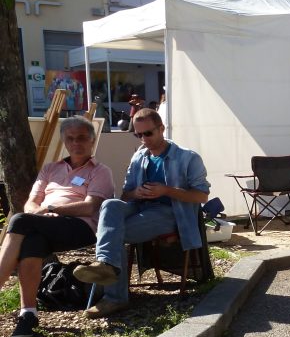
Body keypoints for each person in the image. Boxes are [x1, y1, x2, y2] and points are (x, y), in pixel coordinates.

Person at [74, 108, 210, 318]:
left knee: (112, 233)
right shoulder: (139, 156)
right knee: (110, 204)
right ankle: (105, 264)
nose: (143, 139)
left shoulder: (188, 157)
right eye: (138, 135)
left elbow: (202, 196)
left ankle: (114, 297)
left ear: (162, 129)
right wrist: (135, 192)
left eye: (148, 133)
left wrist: (166, 191)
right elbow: (125, 195)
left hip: (171, 213)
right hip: (139, 206)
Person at [0, 116, 114, 337]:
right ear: (64, 141)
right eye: (70, 139)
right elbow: (31, 202)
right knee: (32, 241)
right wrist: (40, 213)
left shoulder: (100, 171)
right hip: (46, 223)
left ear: (91, 141)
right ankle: (28, 315)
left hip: (80, 227)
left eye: (81, 138)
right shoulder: (51, 169)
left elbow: (90, 206)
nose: (76, 143)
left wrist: (53, 209)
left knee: (20, 222)